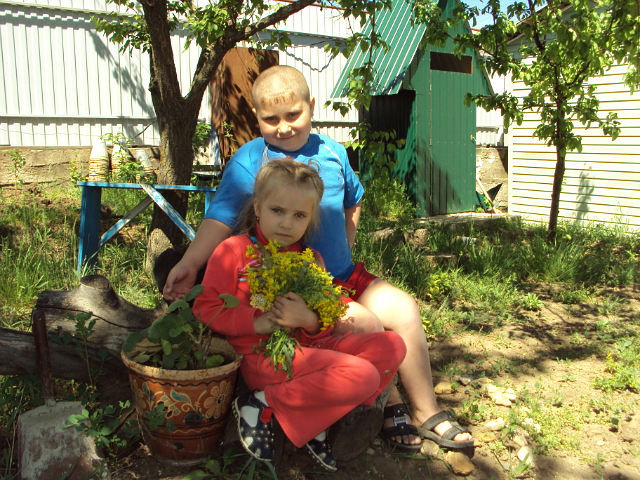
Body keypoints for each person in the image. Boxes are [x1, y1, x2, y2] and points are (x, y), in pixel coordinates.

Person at [163, 65, 474, 453]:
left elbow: (353, 200)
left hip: (337, 272)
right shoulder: (250, 159)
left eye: (293, 114)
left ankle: (426, 410)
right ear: (256, 117)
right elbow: (220, 218)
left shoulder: (332, 152)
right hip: (301, 284)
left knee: (404, 308)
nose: (283, 127)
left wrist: (346, 243)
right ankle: (389, 404)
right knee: (369, 325)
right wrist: (191, 263)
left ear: (311, 105)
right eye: (270, 119)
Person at [193, 158, 406, 471]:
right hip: (265, 357)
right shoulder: (234, 251)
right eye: (277, 211)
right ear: (257, 208)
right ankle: (263, 405)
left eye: (299, 216)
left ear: (310, 219)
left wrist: (309, 320)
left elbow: (326, 319)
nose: (286, 224)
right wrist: (256, 321)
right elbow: (205, 307)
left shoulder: (310, 259)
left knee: (392, 346)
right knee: (364, 376)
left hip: (310, 350)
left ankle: (314, 419)